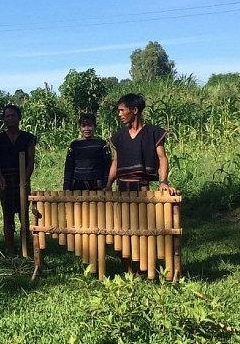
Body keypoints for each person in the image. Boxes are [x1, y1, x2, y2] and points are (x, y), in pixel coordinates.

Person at [107, 93, 176, 274]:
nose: (120, 114)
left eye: (122, 110)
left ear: (135, 110)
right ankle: (130, 270)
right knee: (121, 231)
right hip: (121, 187)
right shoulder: (119, 136)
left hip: (141, 188)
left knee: (142, 230)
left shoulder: (153, 132)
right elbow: (116, 162)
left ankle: (144, 268)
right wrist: (108, 185)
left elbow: (162, 158)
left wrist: (163, 181)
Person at [0, 104, 36, 254]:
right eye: (7, 116)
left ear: (19, 117)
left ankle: (25, 246)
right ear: (4, 119)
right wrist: (1, 177)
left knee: (23, 213)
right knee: (7, 214)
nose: (10, 118)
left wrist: (25, 179)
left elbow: (30, 160)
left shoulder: (28, 138)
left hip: (21, 178)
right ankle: (10, 249)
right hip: (5, 179)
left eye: (13, 115)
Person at [64, 113, 112, 190]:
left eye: (90, 126)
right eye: (83, 126)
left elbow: (107, 167)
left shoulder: (102, 144)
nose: (87, 129)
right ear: (80, 128)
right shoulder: (74, 145)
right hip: (78, 185)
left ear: (95, 127)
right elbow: (69, 168)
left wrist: (106, 185)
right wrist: (66, 187)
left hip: (97, 185)